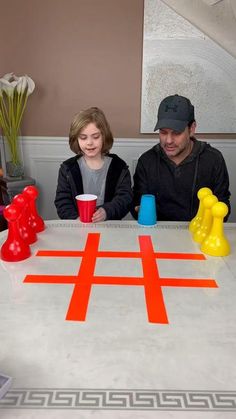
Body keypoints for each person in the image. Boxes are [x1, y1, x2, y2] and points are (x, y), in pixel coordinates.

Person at [131, 94, 231, 221]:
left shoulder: (213, 160)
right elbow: (136, 203)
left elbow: (223, 207)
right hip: (157, 235)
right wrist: (138, 209)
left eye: (176, 133)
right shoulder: (147, 161)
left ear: (192, 129)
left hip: (199, 234)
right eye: (163, 132)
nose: (168, 140)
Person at [55, 107, 132, 222]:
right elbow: (62, 201)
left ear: (104, 136)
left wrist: (107, 211)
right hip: (78, 229)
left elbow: (125, 199)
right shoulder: (68, 169)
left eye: (95, 137)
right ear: (76, 139)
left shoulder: (119, 167)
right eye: (83, 137)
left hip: (110, 229)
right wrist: (76, 219)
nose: (89, 142)